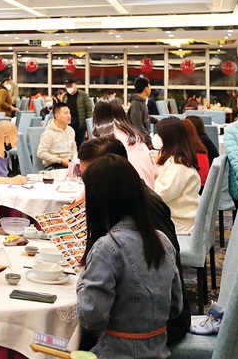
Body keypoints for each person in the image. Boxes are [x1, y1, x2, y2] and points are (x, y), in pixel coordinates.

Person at [77, 137, 190, 346]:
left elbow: (92, 317)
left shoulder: (148, 209)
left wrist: (86, 277)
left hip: (146, 330)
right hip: (156, 329)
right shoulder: (133, 209)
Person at [91, 99, 157, 189]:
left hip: (128, 192)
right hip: (149, 190)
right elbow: (155, 172)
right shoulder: (135, 134)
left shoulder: (105, 138)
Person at [152, 117, 201, 234]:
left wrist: (144, 186)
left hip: (180, 221)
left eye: (159, 134)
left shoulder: (177, 165)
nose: (155, 137)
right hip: (176, 215)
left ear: (168, 138)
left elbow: (164, 193)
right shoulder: (172, 157)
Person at [37, 101, 77, 170]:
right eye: (66, 113)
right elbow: (41, 153)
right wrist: (60, 160)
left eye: (69, 113)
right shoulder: (48, 134)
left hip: (69, 164)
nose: (69, 116)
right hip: (53, 166)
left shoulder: (71, 130)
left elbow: (73, 148)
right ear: (57, 116)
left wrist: (75, 160)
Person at [64, 76, 93, 149]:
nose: (69, 88)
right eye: (67, 86)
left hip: (80, 122)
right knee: (69, 143)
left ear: (75, 85)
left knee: (80, 143)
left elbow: (88, 109)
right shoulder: (65, 96)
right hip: (68, 122)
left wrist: (88, 125)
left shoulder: (83, 95)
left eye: (70, 86)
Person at [127, 77, 152, 142]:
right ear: (146, 88)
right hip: (139, 141)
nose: (150, 89)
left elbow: (143, 117)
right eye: (149, 86)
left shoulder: (142, 102)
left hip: (143, 140)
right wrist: (148, 140)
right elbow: (137, 126)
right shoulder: (136, 104)